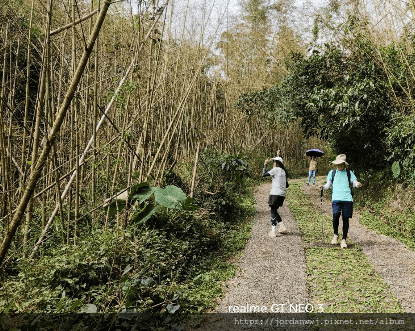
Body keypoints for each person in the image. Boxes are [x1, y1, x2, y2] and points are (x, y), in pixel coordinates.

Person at [319, 154, 362, 249]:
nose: (339, 166)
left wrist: (357, 184)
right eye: (338, 164)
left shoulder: (349, 173)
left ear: (344, 164)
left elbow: (354, 182)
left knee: (345, 219)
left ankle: (344, 239)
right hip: (336, 199)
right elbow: (328, 185)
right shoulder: (332, 173)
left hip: (347, 199)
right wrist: (323, 187)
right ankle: (335, 234)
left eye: (341, 164)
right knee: (335, 216)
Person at [262, 156, 289, 237]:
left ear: (277, 163)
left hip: (275, 193)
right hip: (282, 195)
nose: (273, 163)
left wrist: (265, 164)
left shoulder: (275, 170)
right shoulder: (284, 172)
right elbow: (287, 185)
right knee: (274, 210)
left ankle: (273, 231)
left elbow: (263, 174)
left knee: (273, 211)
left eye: (274, 162)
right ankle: (282, 226)